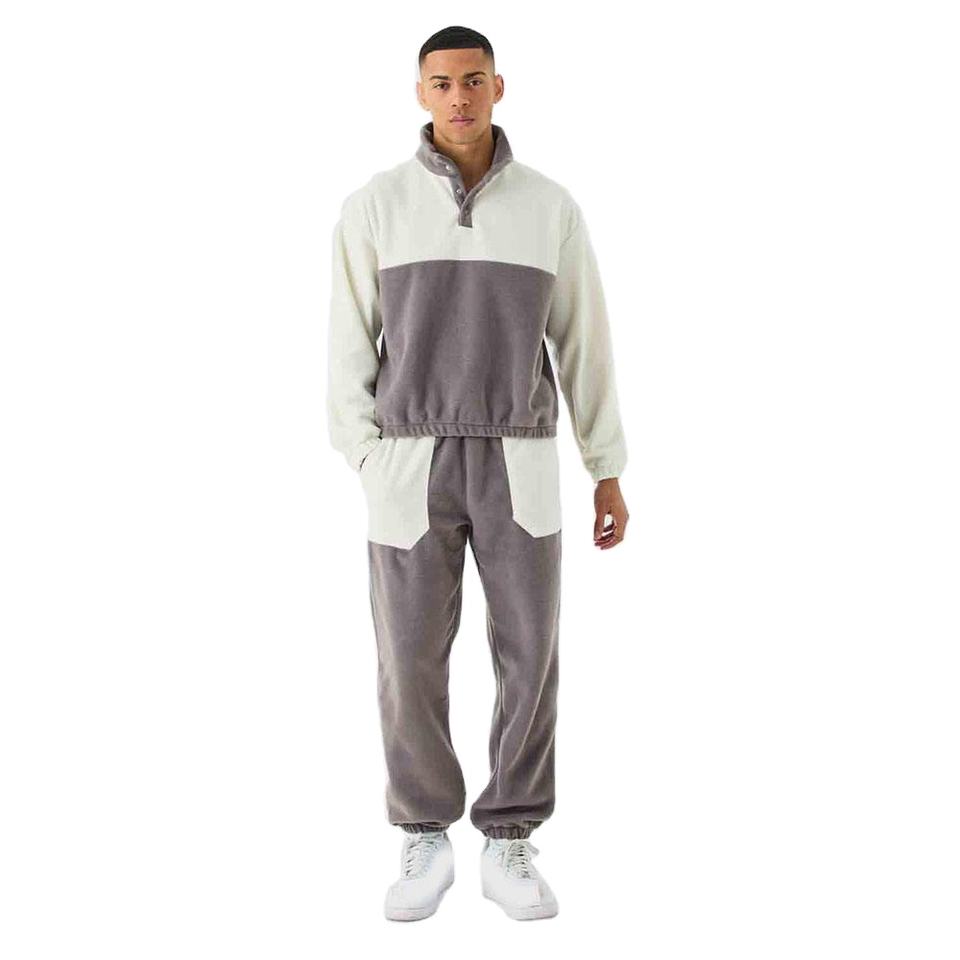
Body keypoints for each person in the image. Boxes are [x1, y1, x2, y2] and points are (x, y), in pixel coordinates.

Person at [326, 25, 629, 921]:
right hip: (410, 461)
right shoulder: (375, 206)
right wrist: (368, 453)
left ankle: (509, 836)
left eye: (472, 80)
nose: (458, 96)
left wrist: (606, 467)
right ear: (421, 92)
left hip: (519, 456)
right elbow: (346, 345)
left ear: (499, 86)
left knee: (531, 652)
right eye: (441, 82)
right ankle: (425, 832)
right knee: (408, 656)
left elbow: (585, 341)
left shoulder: (548, 208)